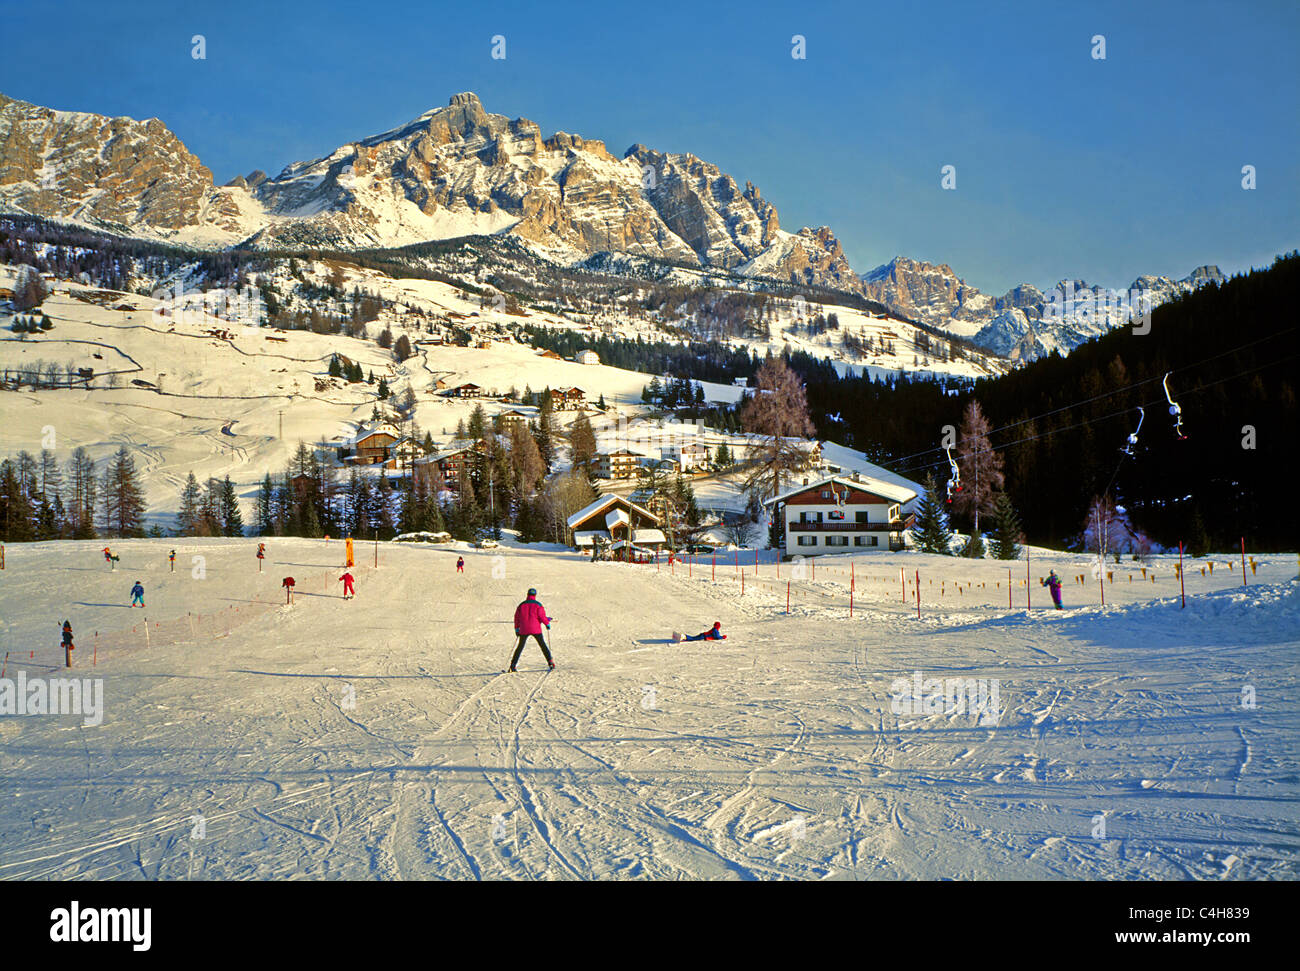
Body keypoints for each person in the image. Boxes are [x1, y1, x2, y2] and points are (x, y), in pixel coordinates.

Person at [509, 587, 554, 672]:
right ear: (535, 595)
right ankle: (550, 662)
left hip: (524, 629)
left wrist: (516, 629)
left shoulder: (521, 605)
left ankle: (513, 665)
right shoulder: (538, 605)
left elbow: (517, 618)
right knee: (542, 645)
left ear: (527, 595)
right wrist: (547, 623)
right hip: (536, 629)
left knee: (520, 647)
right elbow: (541, 617)